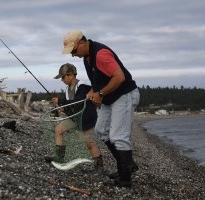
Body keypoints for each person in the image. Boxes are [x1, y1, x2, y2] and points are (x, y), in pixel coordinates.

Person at [61, 30, 140, 187]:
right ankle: (126, 165)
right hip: (110, 98)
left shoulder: (101, 54)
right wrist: (93, 91)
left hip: (124, 95)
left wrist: (101, 93)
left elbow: (120, 77)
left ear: (82, 43)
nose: (73, 55)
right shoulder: (87, 57)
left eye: (74, 50)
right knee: (101, 131)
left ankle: (125, 179)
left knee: (118, 136)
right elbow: (99, 81)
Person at [44, 63, 103, 171]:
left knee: (89, 143)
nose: (62, 80)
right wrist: (64, 108)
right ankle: (59, 158)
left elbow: (78, 102)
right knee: (58, 130)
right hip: (75, 118)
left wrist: (61, 101)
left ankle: (99, 164)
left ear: (70, 75)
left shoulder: (82, 86)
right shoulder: (67, 89)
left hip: (86, 119)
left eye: (63, 77)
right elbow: (71, 106)